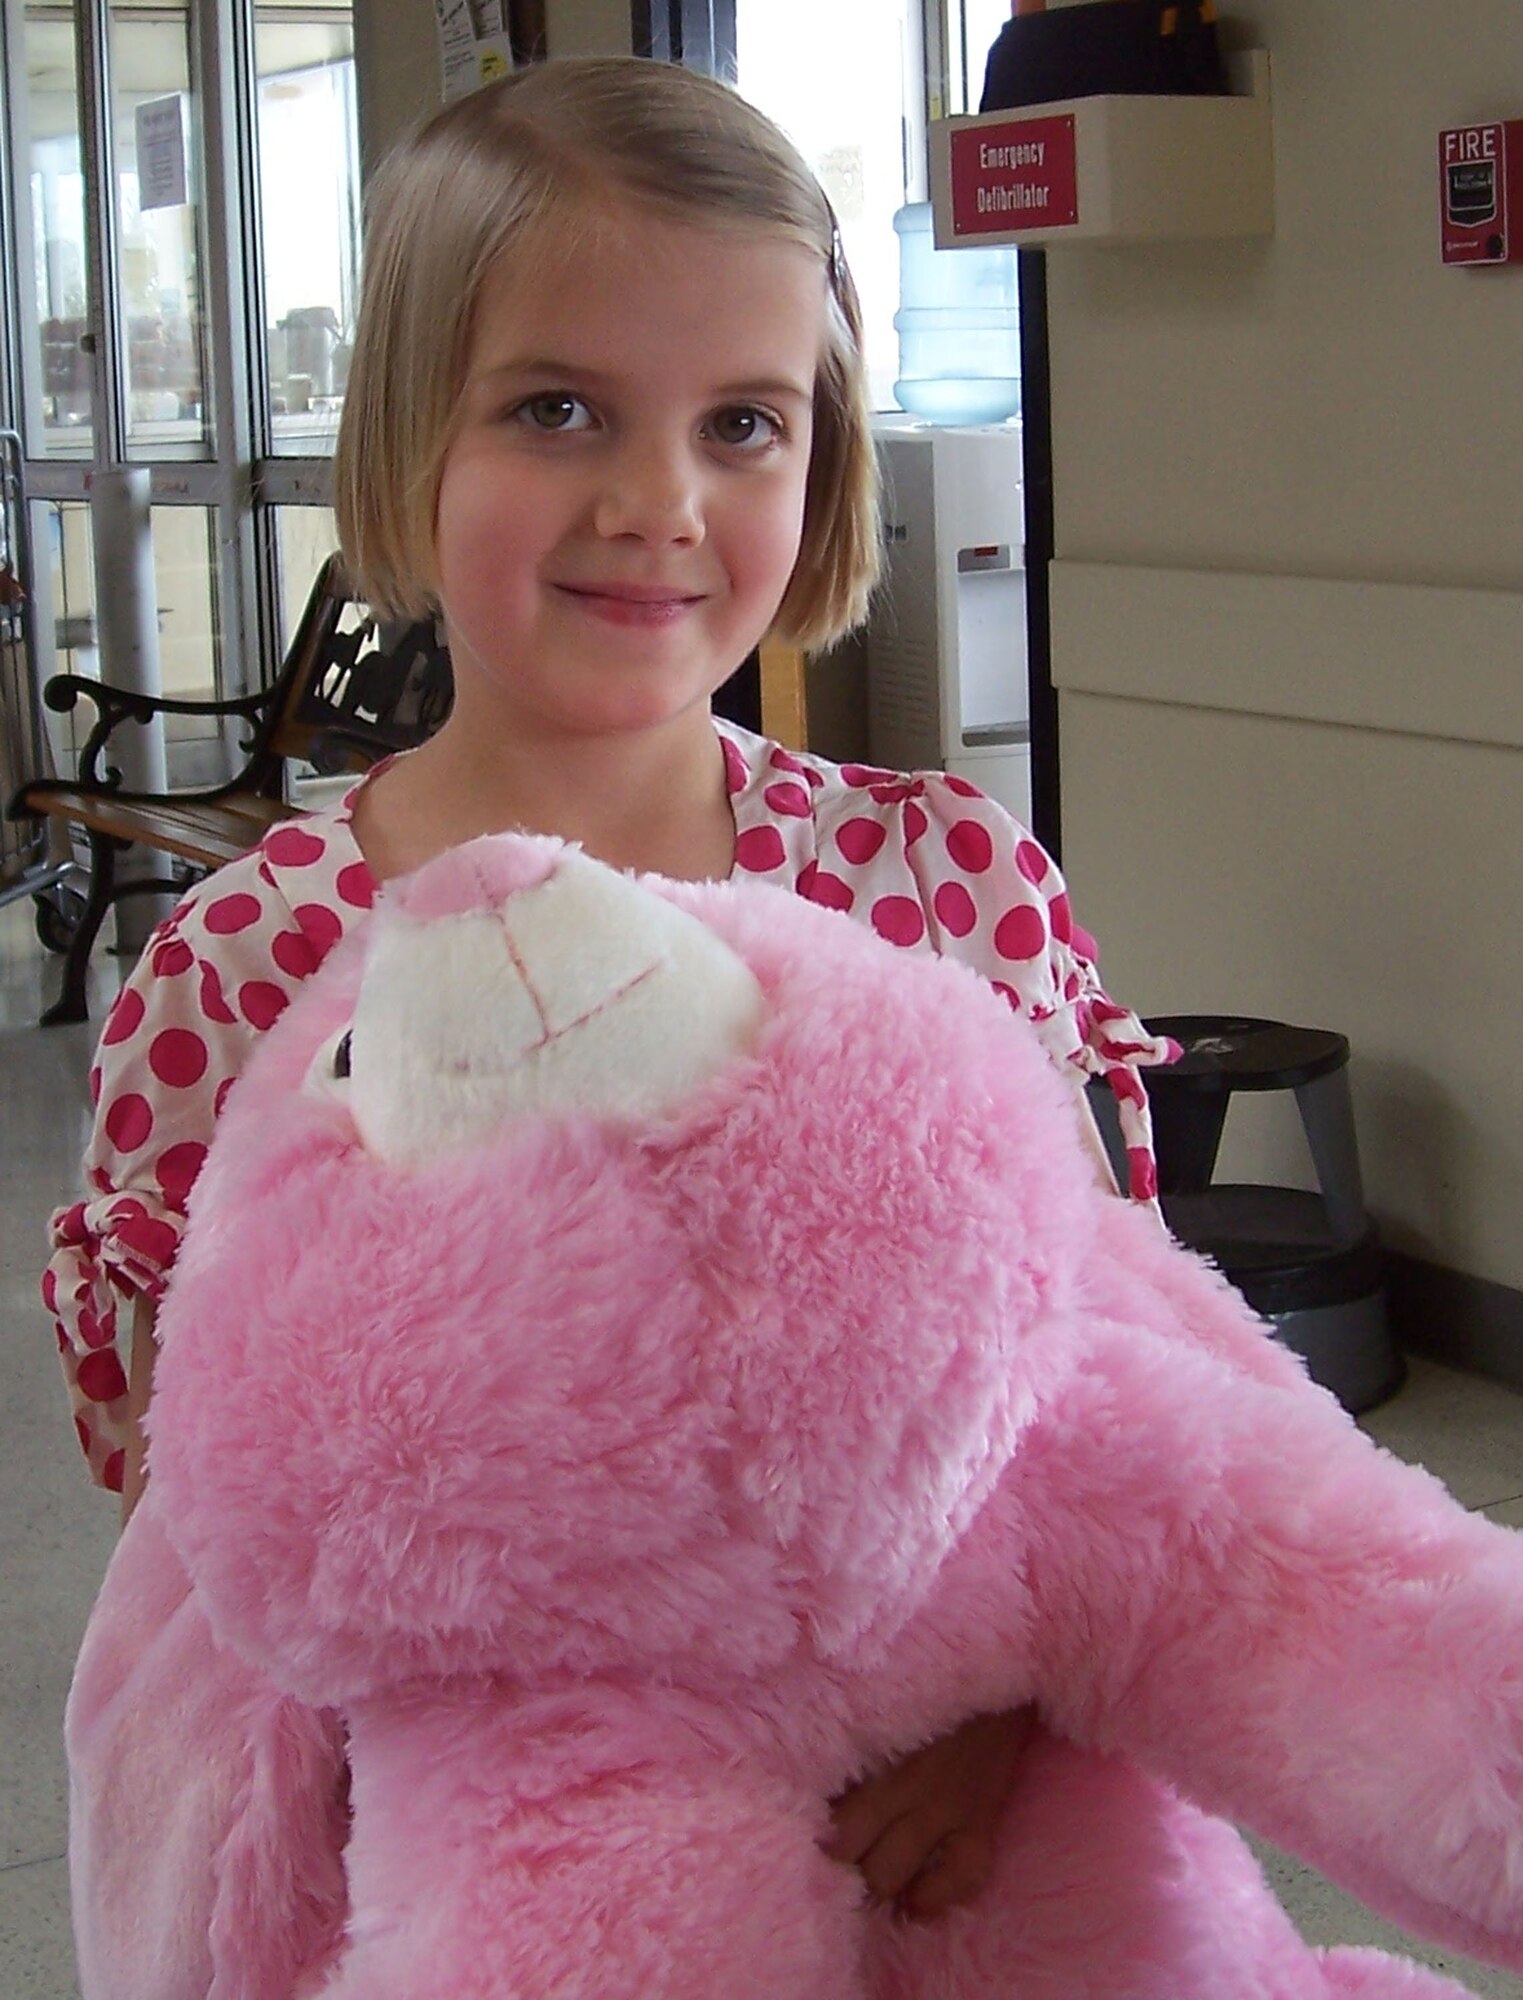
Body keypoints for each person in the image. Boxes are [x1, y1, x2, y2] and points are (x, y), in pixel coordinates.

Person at [48, 53, 1173, 1956]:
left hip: (911, 1837)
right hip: (441, 1856)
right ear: (408, 439)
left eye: (744, 423)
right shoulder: (243, 966)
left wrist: (1013, 1701)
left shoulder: (939, 889)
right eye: (560, 409)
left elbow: (1111, 1367)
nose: (660, 501)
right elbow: (199, 1485)